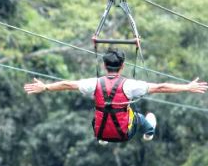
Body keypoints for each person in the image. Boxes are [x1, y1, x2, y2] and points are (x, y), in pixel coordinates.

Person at [24, 49, 207, 143]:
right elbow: (161, 87)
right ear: (122, 66)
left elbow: (67, 84)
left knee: (99, 113)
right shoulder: (130, 85)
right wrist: (187, 87)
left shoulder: (94, 83)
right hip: (124, 133)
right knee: (141, 117)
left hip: (100, 131)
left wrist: (45, 87)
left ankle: (104, 137)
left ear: (105, 66)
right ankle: (149, 132)